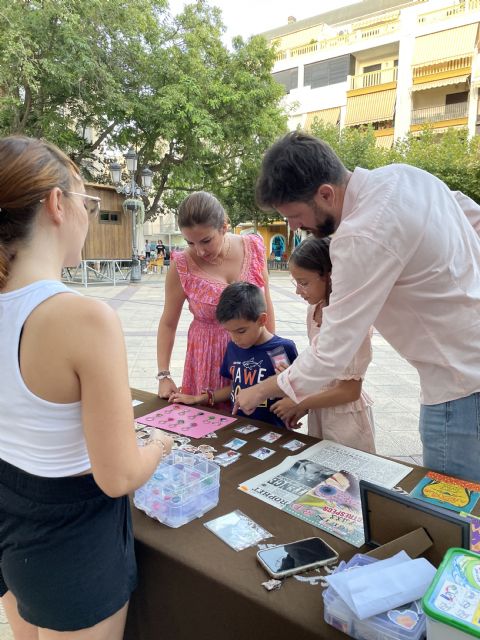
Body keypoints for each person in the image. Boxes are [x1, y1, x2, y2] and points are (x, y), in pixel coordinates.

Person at [0, 135, 173, 640]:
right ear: (57, 204)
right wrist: (159, 443)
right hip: (71, 538)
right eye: (88, 202)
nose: (90, 216)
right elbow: (118, 475)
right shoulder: (82, 317)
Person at [233, 130, 480, 482]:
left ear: (326, 194)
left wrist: (263, 389)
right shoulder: (406, 175)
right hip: (467, 367)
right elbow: (474, 219)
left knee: (457, 512)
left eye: (296, 215)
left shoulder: (358, 235)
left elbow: (332, 351)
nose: (294, 227)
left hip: (459, 387)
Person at [156, 191, 275, 405]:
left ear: (224, 227)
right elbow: (168, 323)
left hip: (251, 356)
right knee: (209, 430)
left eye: (206, 240)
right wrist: (164, 376)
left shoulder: (253, 248)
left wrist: (271, 354)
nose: (199, 251)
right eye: (190, 243)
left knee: (253, 426)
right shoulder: (182, 265)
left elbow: (266, 306)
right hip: (207, 359)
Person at [271, 236, 375, 453]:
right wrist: (303, 406)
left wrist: (300, 403)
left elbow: (349, 391)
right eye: (296, 282)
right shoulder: (314, 310)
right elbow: (321, 370)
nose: (298, 291)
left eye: (304, 282)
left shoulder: (351, 319)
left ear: (329, 277)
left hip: (345, 420)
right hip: (320, 409)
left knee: (346, 479)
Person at [170, 282, 297, 427]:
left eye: (241, 331)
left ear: (262, 320)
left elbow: (301, 389)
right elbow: (235, 386)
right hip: (239, 427)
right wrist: (199, 399)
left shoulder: (282, 349)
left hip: (274, 432)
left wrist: (293, 400)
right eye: (228, 331)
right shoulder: (232, 347)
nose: (235, 338)